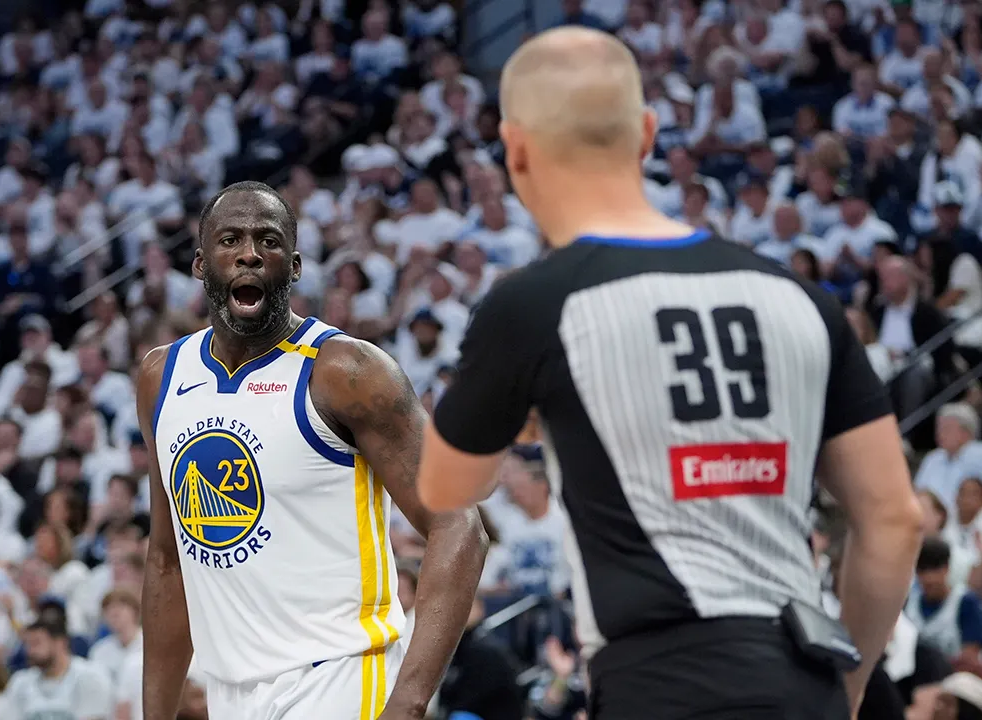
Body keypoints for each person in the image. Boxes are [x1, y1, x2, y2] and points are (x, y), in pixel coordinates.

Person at [415, 27, 924, 719]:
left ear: (515, 147)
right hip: (802, 676)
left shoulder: (532, 305)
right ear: (649, 133)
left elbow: (448, 487)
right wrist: (849, 687)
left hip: (657, 680)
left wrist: (528, 412)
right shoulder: (799, 297)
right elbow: (894, 520)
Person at [138, 181, 487, 719]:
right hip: (230, 692)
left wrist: (408, 702)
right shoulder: (162, 377)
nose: (250, 254)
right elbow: (168, 561)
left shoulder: (347, 371)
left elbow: (459, 524)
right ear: (201, 264)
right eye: (230, 240)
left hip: (342, 677)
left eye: (268, 241)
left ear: (295, 266)